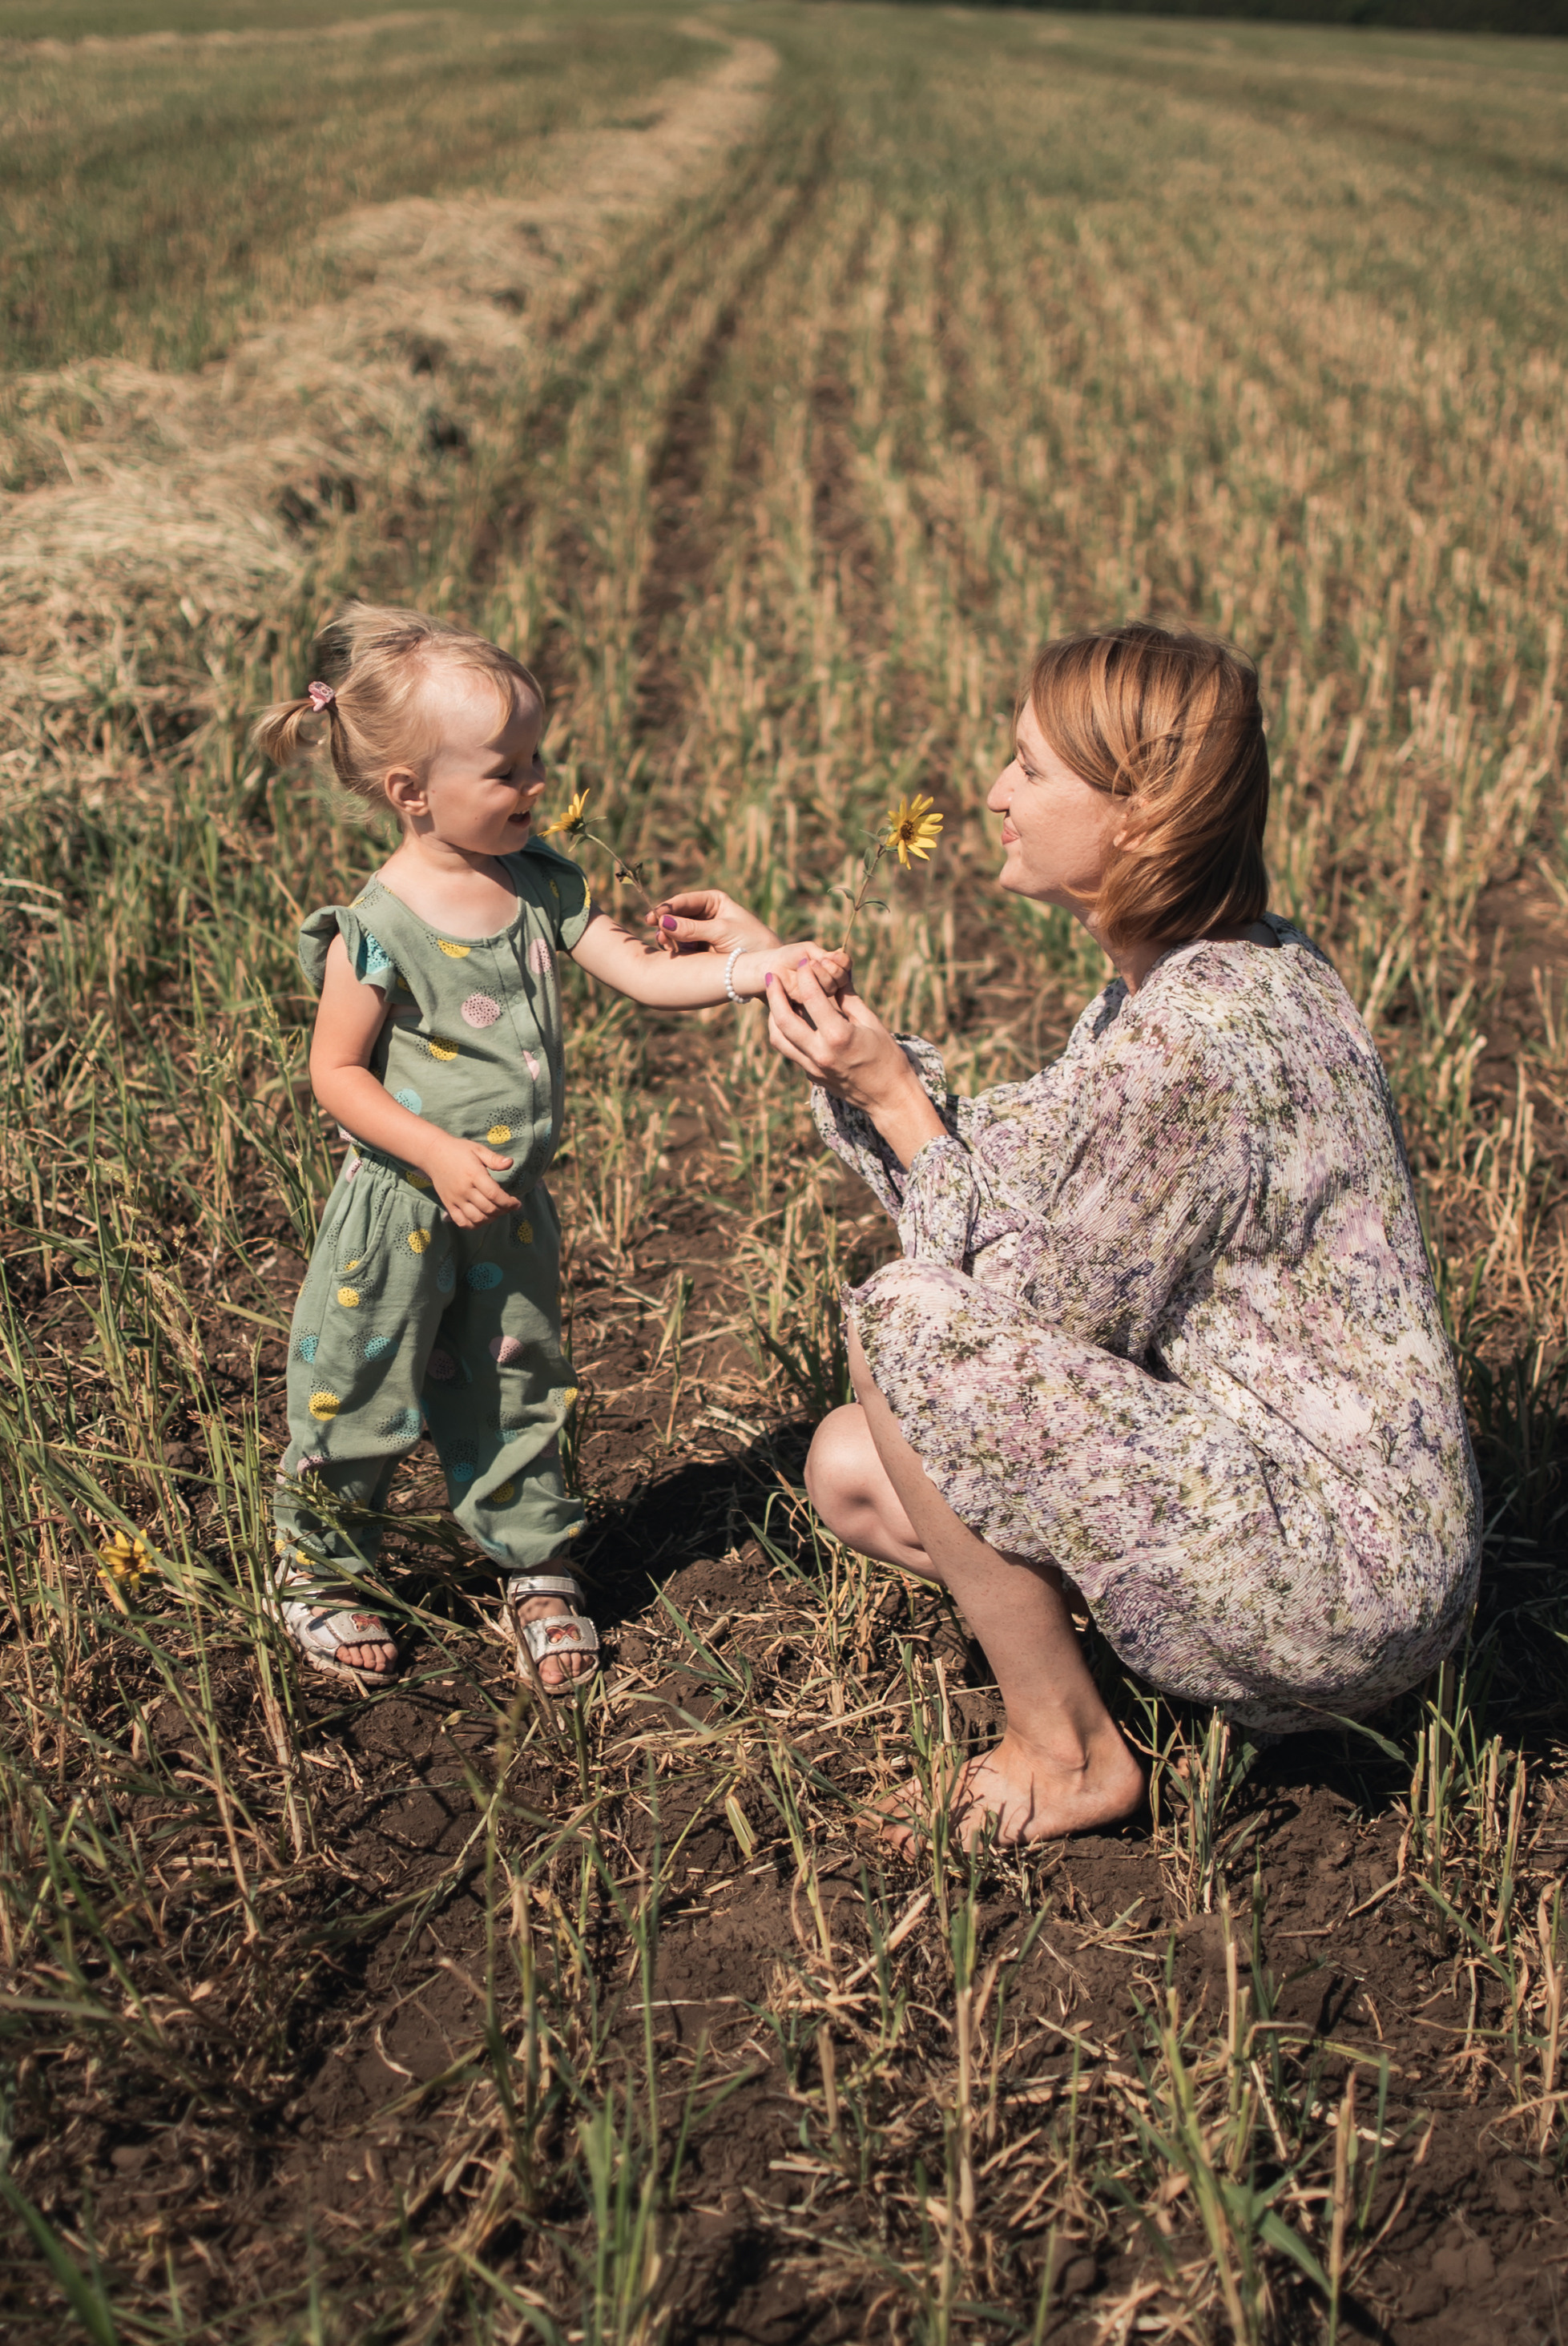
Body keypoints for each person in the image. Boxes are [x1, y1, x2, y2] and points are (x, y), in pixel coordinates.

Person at [732, 620, 1480, 1847]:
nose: (993, 794)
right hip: (1330, 1535)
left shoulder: (1193, 1045)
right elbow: (1035, 1170)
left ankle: (1069, 1751)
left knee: (905, 1326)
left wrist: (890, 1099)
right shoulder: (1243, 968)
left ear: (1136, 816)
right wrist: (842, 1039)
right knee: (852, 1470)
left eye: (1029, 768)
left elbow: (1030, 1314)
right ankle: (1175, 1656)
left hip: (1336, 1581)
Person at [253, 602, 840, 1692]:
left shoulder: (542, 886)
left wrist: (751, 969)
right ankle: (322, 1574)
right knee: (359, 1388)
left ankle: (533, 1564)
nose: (535, 787)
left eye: (536, 761)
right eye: (507, 771)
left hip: (508, 1205)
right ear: (409, 792)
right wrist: (432, 1153)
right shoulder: (376, 927)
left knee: (517, 1383)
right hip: (400, 1209)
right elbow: (334, 1077)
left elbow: (645, 975)